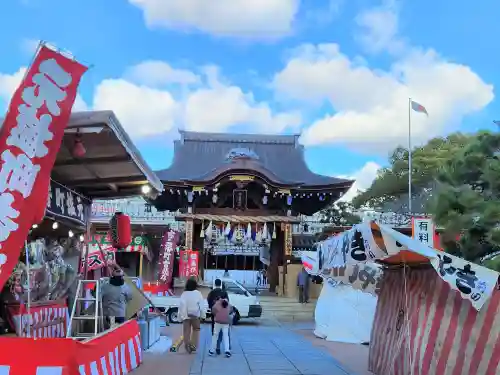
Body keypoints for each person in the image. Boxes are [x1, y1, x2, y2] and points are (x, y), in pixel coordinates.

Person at [179, 277, 205, 354]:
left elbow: (181, 305)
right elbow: (202, 305)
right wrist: (203, 315)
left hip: (186, 315)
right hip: (195, 315)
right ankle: (193, 345)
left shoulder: (184, 294)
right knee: (196, 330)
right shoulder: (198, 293)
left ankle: (187, 346)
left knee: (186, 331)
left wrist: (181, 316)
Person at [207, 278, 229, 354]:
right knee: (223, 332)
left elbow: (209, 303)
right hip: (223, 315)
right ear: (220, 284)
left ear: (215, 284)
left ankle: (216, 346)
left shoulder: (211, 293)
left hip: (214, 314)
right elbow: (227, 304)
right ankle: (219, 346)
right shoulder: (224, 293)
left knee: (215, 330)